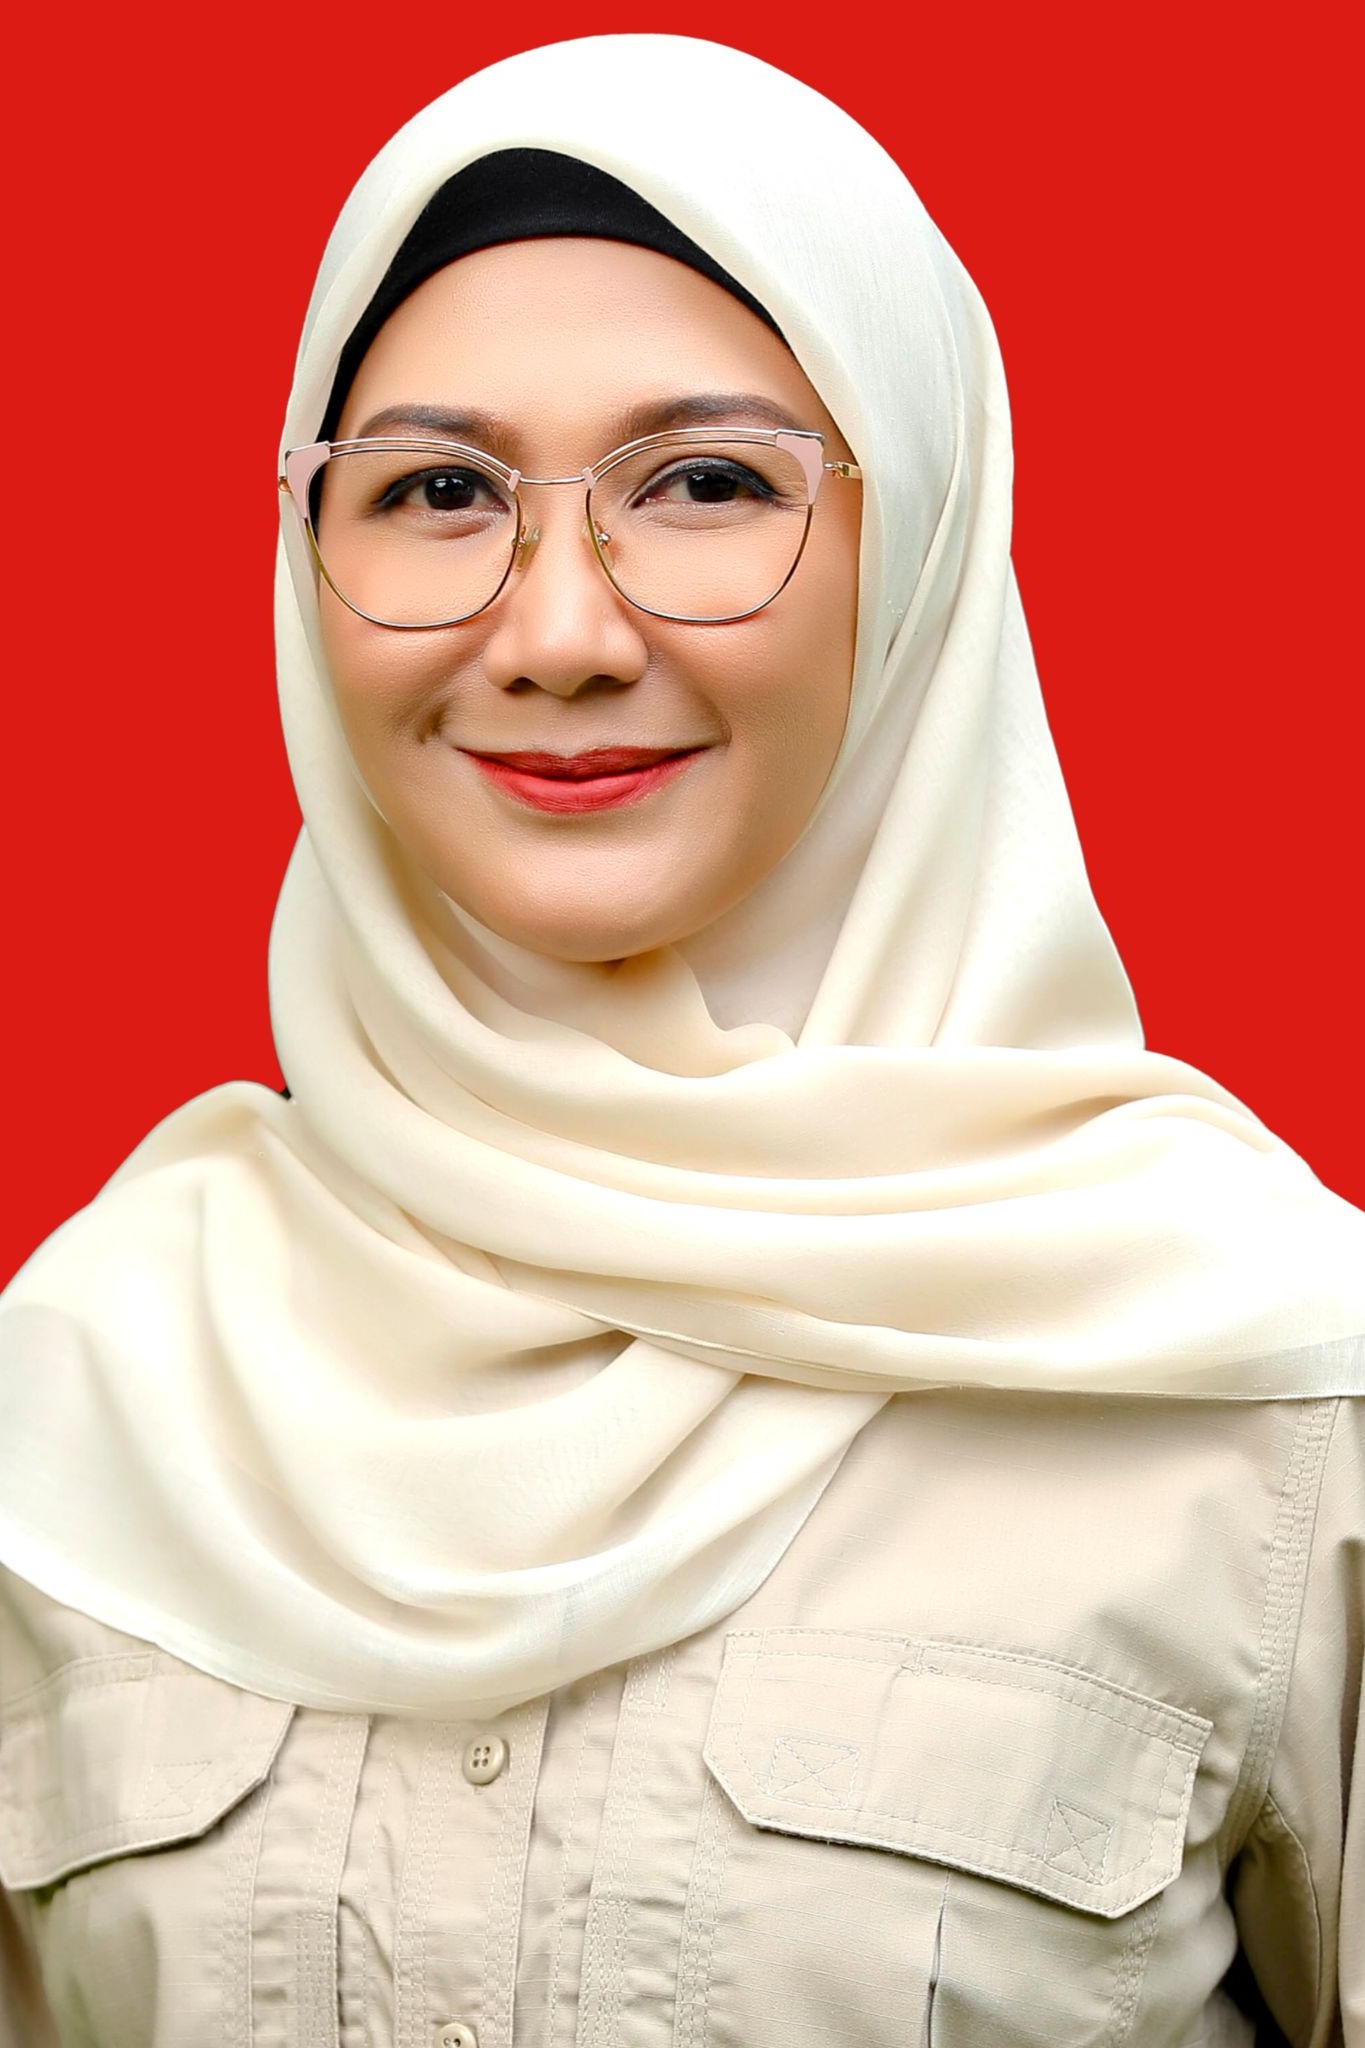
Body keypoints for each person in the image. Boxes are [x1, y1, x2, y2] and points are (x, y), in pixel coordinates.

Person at [0, 32, 1361, 2047]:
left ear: (913, 553)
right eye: (435, 491)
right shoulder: (77, 1383)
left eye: (706, 484)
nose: (558, 633)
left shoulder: (1259, 1399)